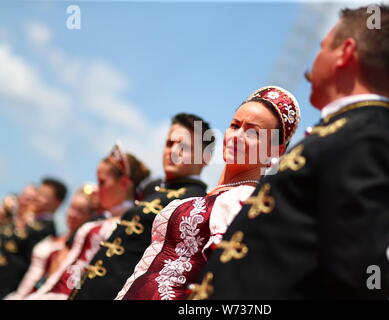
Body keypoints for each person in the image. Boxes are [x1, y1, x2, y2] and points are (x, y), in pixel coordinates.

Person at [194, 3, 389, 300]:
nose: (314, 60)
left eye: (323, 46)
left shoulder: (368, 140)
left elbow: (357, 276)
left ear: (345, 53)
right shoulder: (346, 131)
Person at [115, 85, 300, 300]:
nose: (237, 136)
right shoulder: (205, 198)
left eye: (253, 132)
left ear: (276, 151)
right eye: (234, 125)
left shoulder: (245, 203)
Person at [71, 113, 213, 300]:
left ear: (205, 157)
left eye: (184, 146)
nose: (173, 151)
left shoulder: (195, 203)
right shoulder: (151, 190)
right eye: (169, 144)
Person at [25, 144, 150, 299]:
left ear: (124, 183)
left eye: (102, 182)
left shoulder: (128, 225)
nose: (97, 189)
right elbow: (71, 278)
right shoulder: (96, 226)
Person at [4, 184, 98, 300]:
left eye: (80, 211)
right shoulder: (52, 239)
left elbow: (72, 287)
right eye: (72, 208)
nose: (73, 214)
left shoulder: (82, 251)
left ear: (90, 216)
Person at [0, 179, 67, 299]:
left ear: (57, 203)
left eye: (43, 196)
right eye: (38, 193)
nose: (36, 197)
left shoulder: (46, 230)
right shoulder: (27, 220)